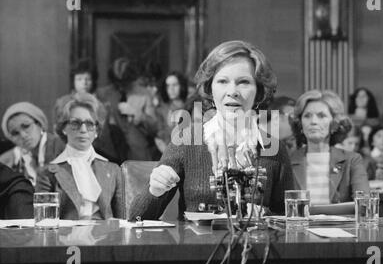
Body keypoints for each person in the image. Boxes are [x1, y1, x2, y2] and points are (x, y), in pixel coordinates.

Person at [129, 40, 294, 220]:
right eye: (223, 81)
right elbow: (137, 217)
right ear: (210, 90)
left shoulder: (275, 149)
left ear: (259, 93)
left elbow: (288, 221)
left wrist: (265, 214)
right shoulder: (187, 140)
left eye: (244, 82)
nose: (233, 91)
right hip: (197, 247)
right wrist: (155, 190)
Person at [35, 93, 123, 220]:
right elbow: (43, 222)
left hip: (106, 237)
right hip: (66, 237)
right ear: (64, 128)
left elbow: (122, 220)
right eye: (75, 123)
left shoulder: (113, 170)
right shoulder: (47, 173)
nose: (83, 130)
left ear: (97, 131)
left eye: (89, 124)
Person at [290, 90, 369, 215]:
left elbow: (365, 205)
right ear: (300, 124)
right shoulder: (287, 161)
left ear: (335, 124)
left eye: (321, 116)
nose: (313, 121)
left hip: (342, 231)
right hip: (299, 230)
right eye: (307, 116)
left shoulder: (352, 160)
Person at [96, 58, 160, 161]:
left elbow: (154, 127)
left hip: (136, 150)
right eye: (117, 83)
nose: (121, 86)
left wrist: (137, 113)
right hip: (109, 148)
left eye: (124, 82)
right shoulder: (103, 94)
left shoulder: (144, 94)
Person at [0, 102, 65, 185]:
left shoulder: (63, 146)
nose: (23, 135)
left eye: (26, 126)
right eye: (15, 133)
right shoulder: (7, 161)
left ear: (39, 123)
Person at [154, 71, 189, 153]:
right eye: (168, 85)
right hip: (166, 154)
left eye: (175, 85)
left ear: (182, 86)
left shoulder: (191, 107)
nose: (171, 89)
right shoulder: (161, 109)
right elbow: (159, 135)